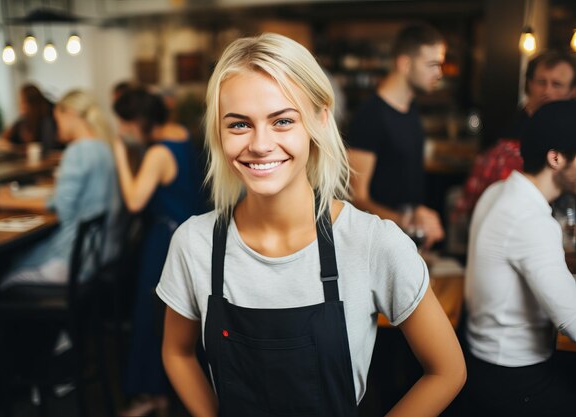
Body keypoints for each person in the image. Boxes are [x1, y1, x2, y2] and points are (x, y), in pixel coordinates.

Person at [157, 33, 465, 417]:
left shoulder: (372, 242)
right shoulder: (194, 243)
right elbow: (176, 351)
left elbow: (448, 371)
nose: (261, 144)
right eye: (239, 125)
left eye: (282, 120)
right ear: (218, 132)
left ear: (320, 119)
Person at [464, 100, 576, 417]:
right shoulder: (531, 220)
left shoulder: (499, 191)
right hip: (514, 382)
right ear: (556, 158)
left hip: (485, 366)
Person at [112, 88, 204, 417]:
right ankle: (165, 392)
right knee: (174, 317)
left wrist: (120, 153)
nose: (121, 130)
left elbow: (135, 200)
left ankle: (152, 395)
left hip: (164, 240)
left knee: (151, 316)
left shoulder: (158, 154)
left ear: (137, 122)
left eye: (123, 123)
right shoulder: (182, 135)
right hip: (187, 235)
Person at [0, 90, 121, 288]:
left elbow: (60, 206)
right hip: (100, 253)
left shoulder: (77, 151)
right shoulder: (104, 147)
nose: (57, 127)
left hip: (72, 261)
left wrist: (8, 201)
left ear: (70, 114)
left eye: (58, 119)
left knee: (2, 279)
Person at [347, 23, 446, 250]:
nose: (439, 73)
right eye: (432, 65)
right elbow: (356, 198)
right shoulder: (370, 116)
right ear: (405, 63)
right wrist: (407, 221)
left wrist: (418, 216)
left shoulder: (410, 109)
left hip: (404, 243)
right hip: (376, 245)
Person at [454, 50, 576, 220]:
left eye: (556, 84)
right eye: (541, 82)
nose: (547, 91)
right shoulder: (507, 137)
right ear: (529, 85)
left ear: (572, 91)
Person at [0, 84, 60, 154]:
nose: (19, 105)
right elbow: (2, 139)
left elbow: (46, 150)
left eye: (23, 102)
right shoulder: (22, 121)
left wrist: (14, 148)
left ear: (33, 104)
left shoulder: (47, 122)